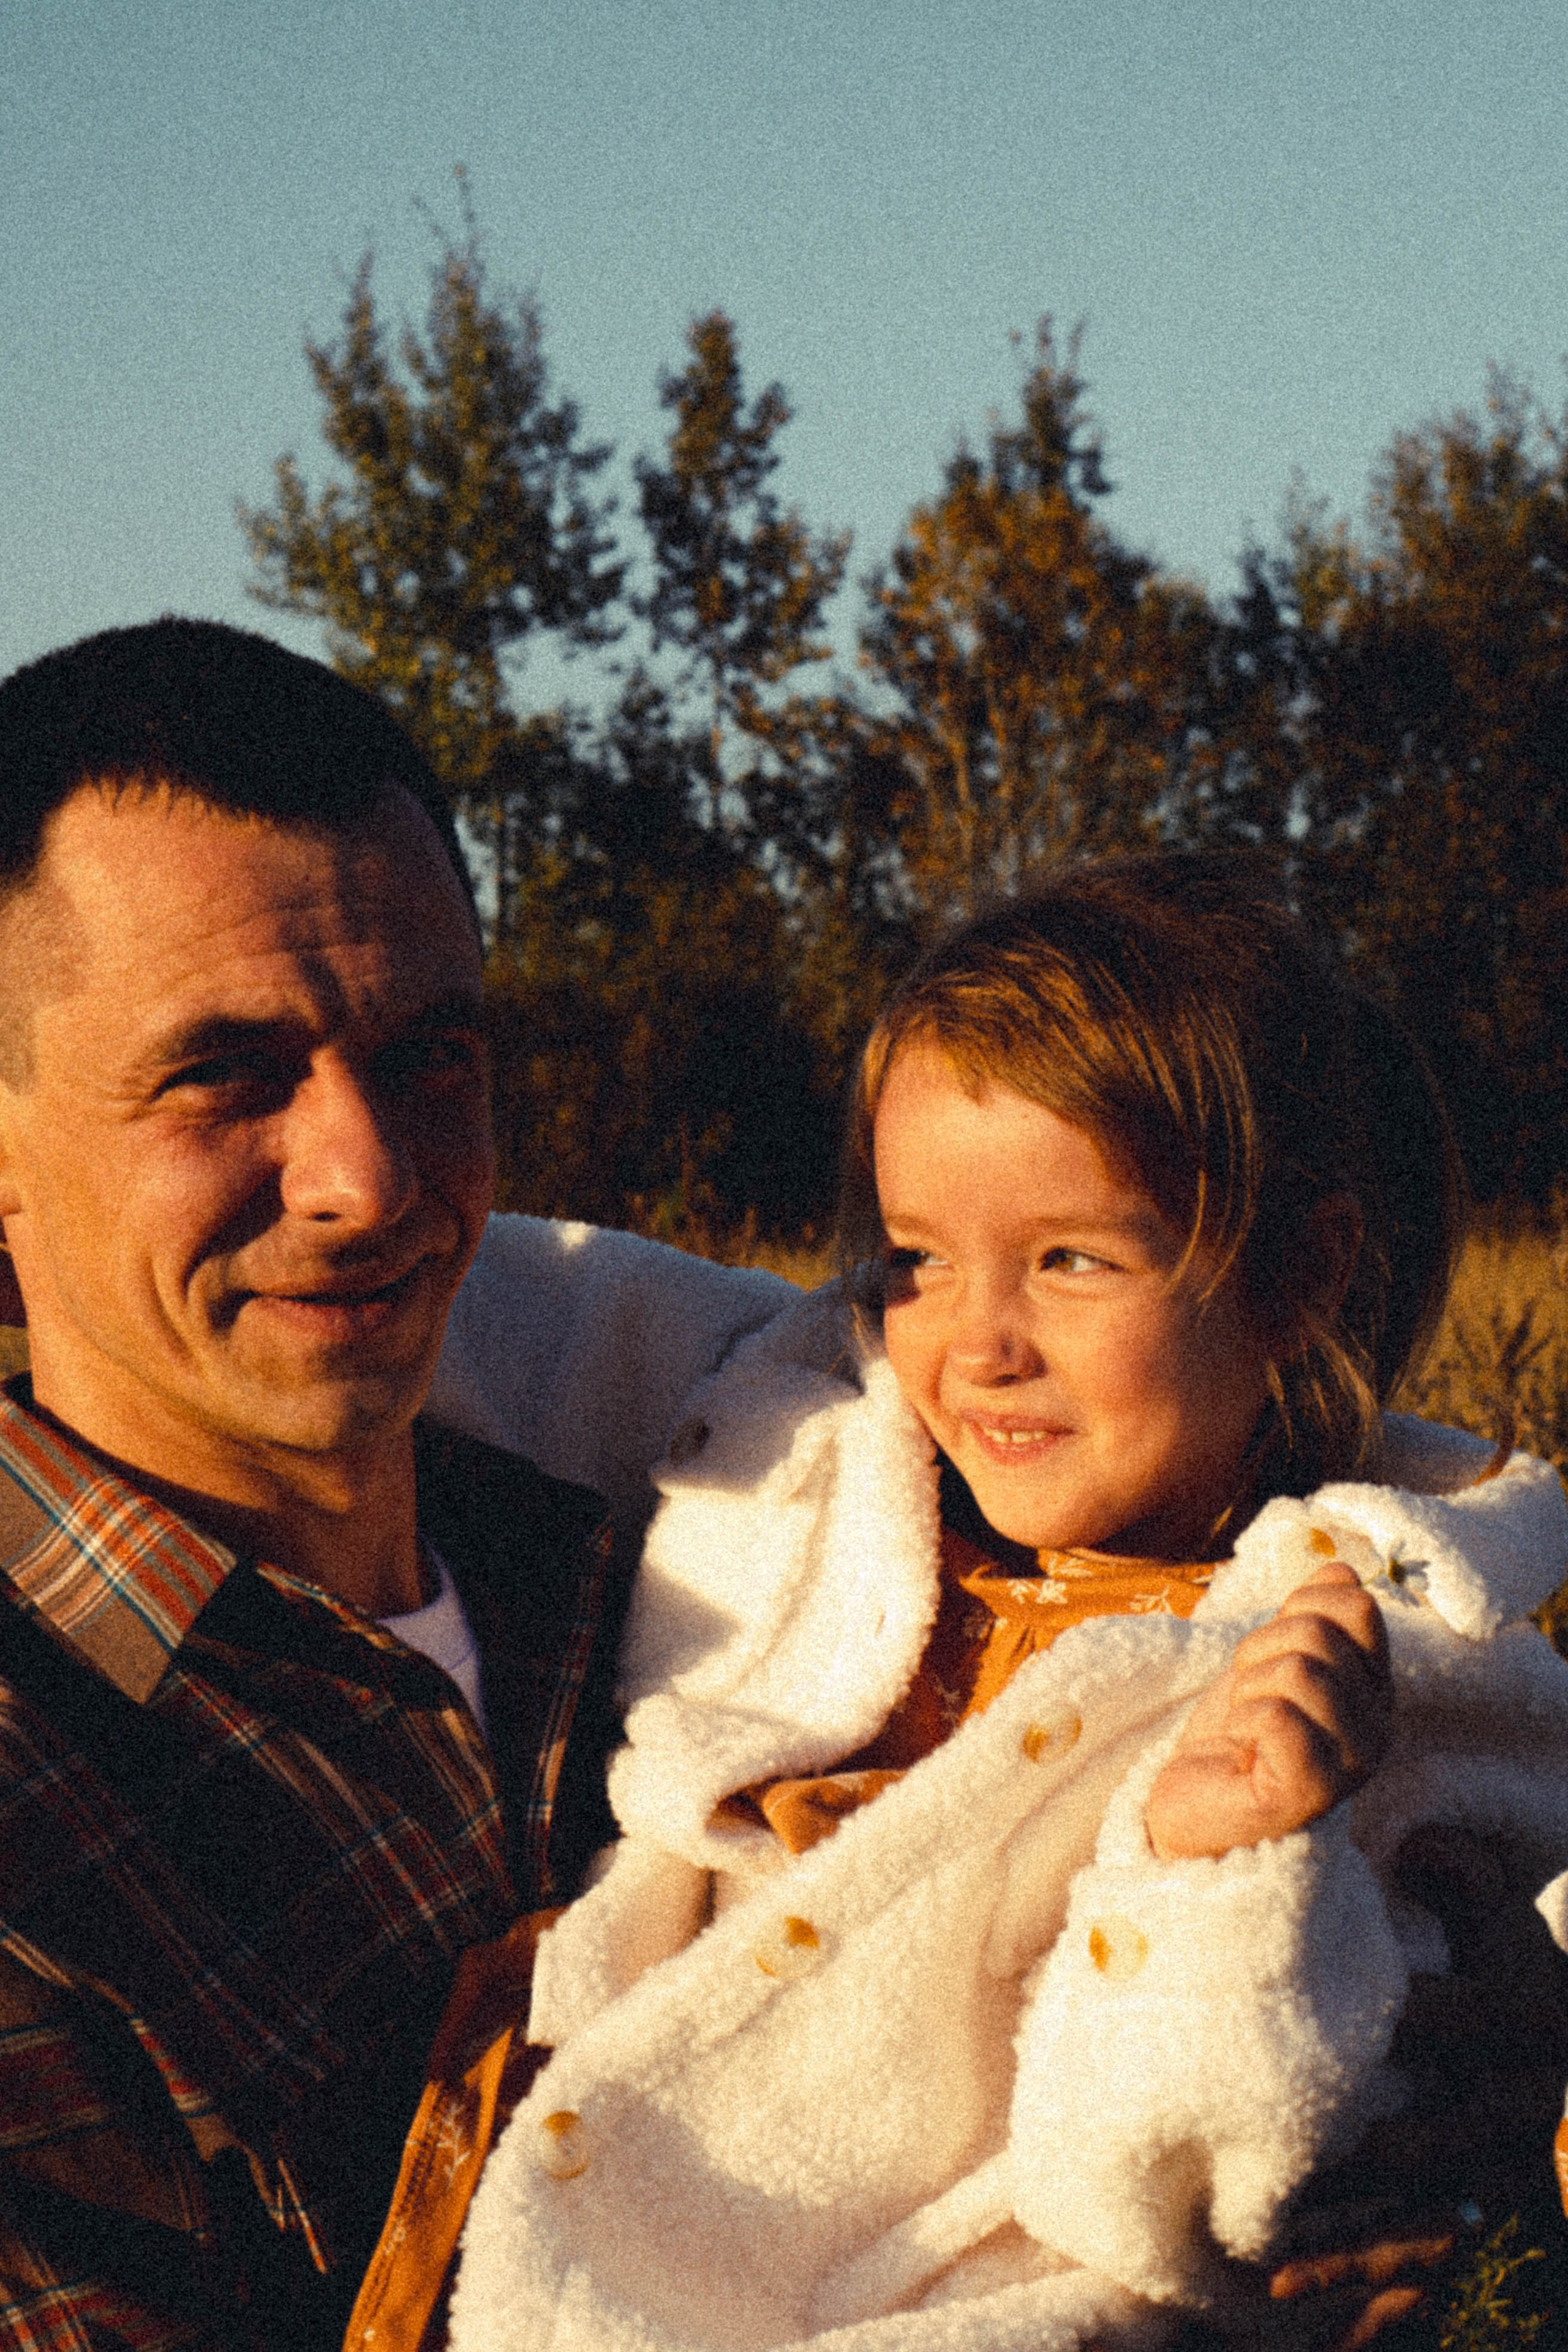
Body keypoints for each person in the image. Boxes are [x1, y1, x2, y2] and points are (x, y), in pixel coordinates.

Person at [440, 864, 1568, 2352]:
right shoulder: (819, 1449)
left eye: (1069, 1261)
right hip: (595, 2248)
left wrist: (1212, 1874)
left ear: (1297, 1278)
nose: (975, 1342)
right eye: (915, 1258)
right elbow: (516, 1294)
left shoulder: (1366, 1668)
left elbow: (1218, 2181)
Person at [0, 617, 788, 2352]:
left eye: (433, 1052)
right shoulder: (37, 1836)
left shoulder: (678, 1562)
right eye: (224, 1076)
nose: (367, 1174)